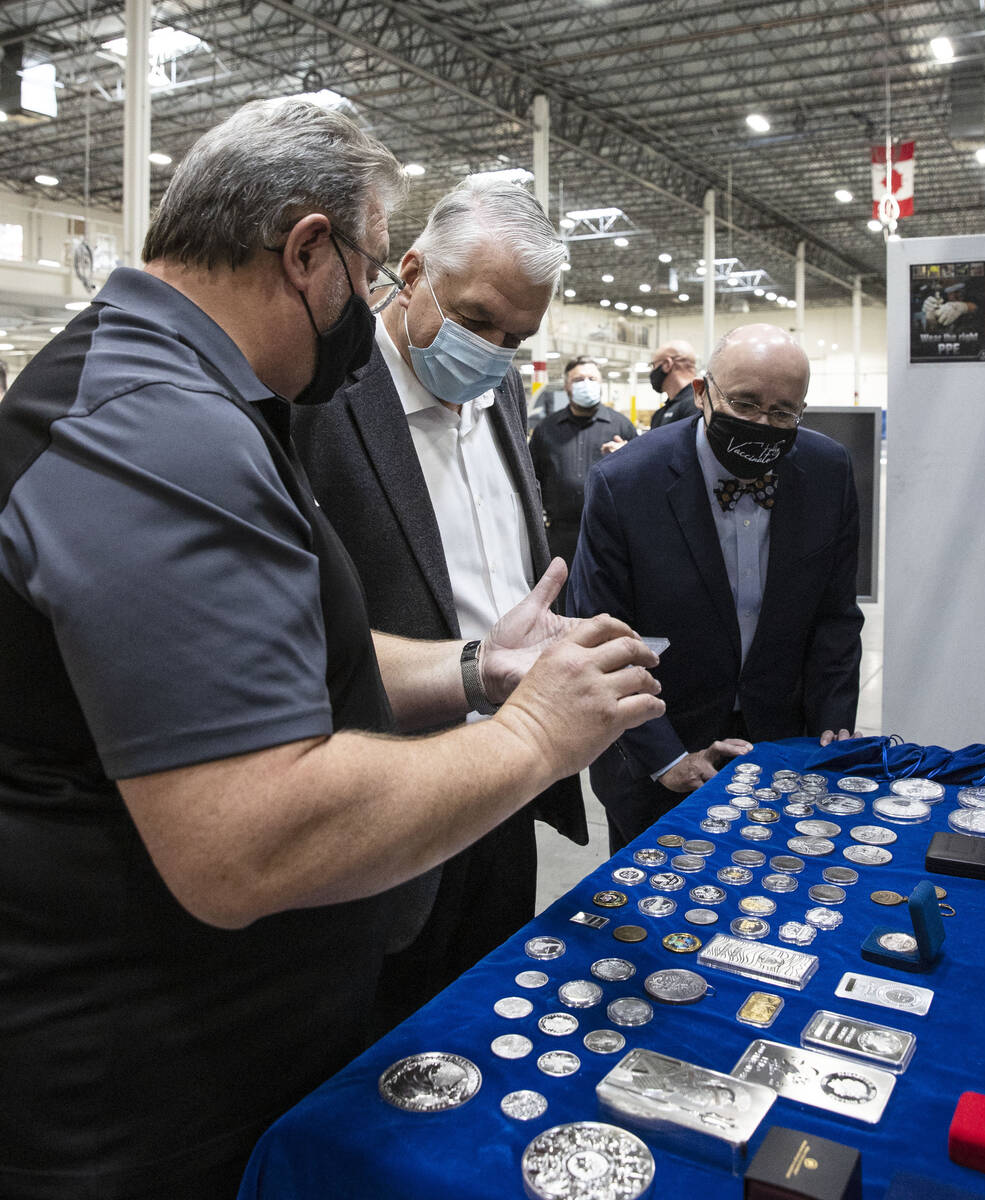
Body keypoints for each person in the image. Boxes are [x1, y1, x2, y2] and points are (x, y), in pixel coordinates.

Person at [0, 98, 663, 1198]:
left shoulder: (186, 395)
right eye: (363, 271)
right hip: (144, 1092)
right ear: (308, 251)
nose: (366, 304)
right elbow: (248, 837)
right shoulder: (159, 424)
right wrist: (540, 733)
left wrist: (474, 671)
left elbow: (274, 647)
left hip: (203, 1049)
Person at [291, 178, 587, 1035]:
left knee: (490, 1025)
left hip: (501, 781)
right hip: (384, 798)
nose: (495, 351)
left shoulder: (501, 393)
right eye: (479, 319)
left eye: (519, 338)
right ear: (410, 271)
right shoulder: (320, 403)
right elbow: (304, 625)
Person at [568, 324, 862, 852]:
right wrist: (666, 758)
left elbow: (835, 617)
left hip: (787, 752)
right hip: (663, 749)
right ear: (702, 392)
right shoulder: (625, 482)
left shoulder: (827, 472)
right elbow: (602, 636)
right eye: (745, 404)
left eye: (782, 413)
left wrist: (830, 734)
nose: (762, 424)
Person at [528, 355, 637, 569]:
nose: (586, 384)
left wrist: (628, 456)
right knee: (561, 594)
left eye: (592, 378)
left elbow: (643, 479)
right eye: (578, 380)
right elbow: (531, 478)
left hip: (609, 534)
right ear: (567, 387)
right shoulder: (546, 429)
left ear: (601, 385)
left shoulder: (621, 427)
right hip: (560, 535)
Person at [647, 339, 698, 428]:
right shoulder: (662, 413)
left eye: (653, 365)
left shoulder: (697, 405)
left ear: (667, 364)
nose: (652, 371)